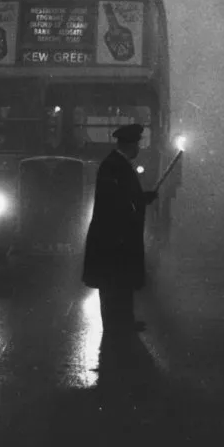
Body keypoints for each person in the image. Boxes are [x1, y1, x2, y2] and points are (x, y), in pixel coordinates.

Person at [82, 123, 157, 332]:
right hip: (114, 236)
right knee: (114, 283)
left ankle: (122, 322)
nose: (138, 149)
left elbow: (123, 197)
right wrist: (141, 200)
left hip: (114, 235)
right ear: (130, 145)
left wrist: (142, 199)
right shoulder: (115, 165)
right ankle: (117, 324)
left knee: (118, 281)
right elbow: (117, 200)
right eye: (136, 145)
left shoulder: (115, 164)